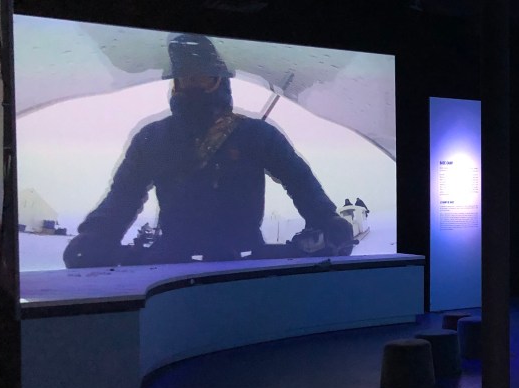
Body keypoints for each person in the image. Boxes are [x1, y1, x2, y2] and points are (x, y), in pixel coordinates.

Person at [63, 34, 354, 268]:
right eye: (186, 76)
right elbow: (124, 195)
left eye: (203, 76)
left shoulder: (256, 134)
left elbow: (299, 181)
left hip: (243, 265)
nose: (194, 82)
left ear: (219, 80)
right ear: (175, 83)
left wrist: (325, 219)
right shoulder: (152, 138)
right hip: (169, 269)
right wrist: (98, 234)